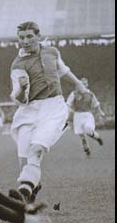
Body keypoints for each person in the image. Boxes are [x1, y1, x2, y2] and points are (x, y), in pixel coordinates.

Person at [9, 21, 88, 203]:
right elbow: (20, 99)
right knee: (23, 162)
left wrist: (78, 84)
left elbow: (64, 70)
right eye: (22, 38)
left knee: (37, 150)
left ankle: (24, 192)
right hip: (28, 111)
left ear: (37, 35)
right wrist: (21, 89)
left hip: (53, 108)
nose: (25, 41)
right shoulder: (18, 65)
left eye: (29, 36)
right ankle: (32, 187)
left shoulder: (52, 52)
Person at [66, 78, 105, 158]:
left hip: (87, 115)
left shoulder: (90, 94)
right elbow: (68, 103)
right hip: (77, 116)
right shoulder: (74, 94)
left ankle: (97, 137)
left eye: (85, 84)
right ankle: (87, 151)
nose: (83, 85)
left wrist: (100, 112)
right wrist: (67, 110)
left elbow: (96, 104)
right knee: (82, 136)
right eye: (81, 84)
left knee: (88, 129)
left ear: (87, 85)